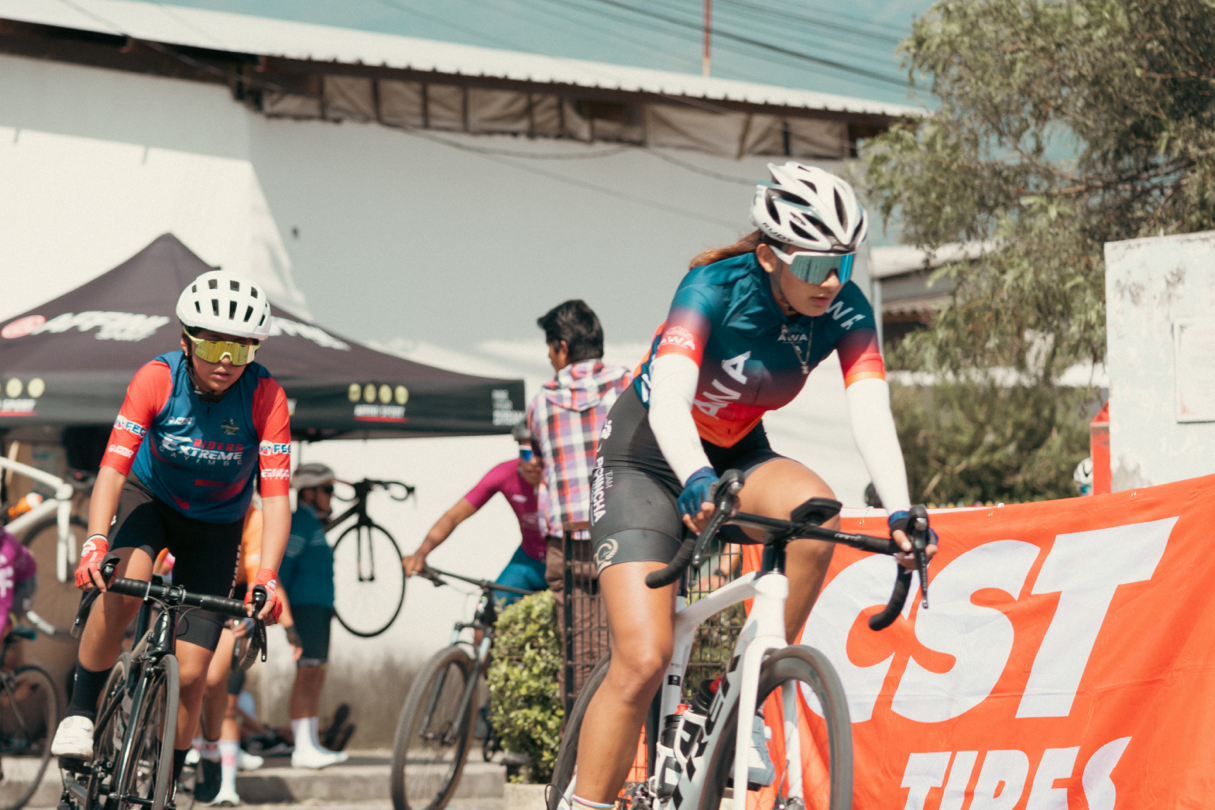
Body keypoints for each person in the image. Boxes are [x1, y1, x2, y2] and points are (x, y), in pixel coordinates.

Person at [569, 162, 938, 810]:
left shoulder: (844, 308)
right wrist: (695, 477)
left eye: (843, 263)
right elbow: (670, 400)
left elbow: (870, 410)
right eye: (813, 264)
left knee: (816, 514)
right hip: (646, 458)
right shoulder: (712, 287)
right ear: (769, 256)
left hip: (737, 455)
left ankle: (740, 699)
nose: (831, 281)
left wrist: (902, 512)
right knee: (644, 657)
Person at [50, 271, 291, 797]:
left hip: (217, 525)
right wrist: (95, 541)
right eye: (211, 344)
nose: (225, 360)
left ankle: (167, 779)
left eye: (239, 348)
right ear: (186, 341)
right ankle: (82, 712)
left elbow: (276, 498)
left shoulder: (266, 396)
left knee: (195, 672)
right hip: (151, 502)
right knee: (121, 591)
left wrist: (268, 577)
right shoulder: (157, 378)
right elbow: (112, 470)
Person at [525, 300, 630, 707]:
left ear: (563, 348)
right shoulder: (631, 386)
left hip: (568, 543)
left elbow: (538, 460)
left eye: (550, 349)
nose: (549, 359)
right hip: (625, 535)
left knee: (579, 659)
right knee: (627, 652)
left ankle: (581, 741)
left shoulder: (540, 402)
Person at [402, 424, 547, 603]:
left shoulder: (567, 478)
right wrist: (421, 552)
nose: (533, 462)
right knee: (490, 613)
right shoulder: (505, 473)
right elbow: (453, 516)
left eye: (540, 453)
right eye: (525, 453)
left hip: (565, 563)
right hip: (528, 559)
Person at [194, 499, 268, 806]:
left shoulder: (254, 516)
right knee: (184, 684)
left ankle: (225, 783)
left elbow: (256, 572)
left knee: (221, 694)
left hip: (233, 601)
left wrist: (251, 617)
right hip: (190, 587)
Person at [279, 462, 347, 770]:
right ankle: (302, 747)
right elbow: (283, 570)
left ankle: (312, 743)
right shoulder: (299, 522)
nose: (332, 495)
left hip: (319, 607)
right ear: (308, 492)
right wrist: (286, 620)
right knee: (306, 674)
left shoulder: (313, 523)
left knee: (317, 674)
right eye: (328, 489)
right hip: (304, 607)